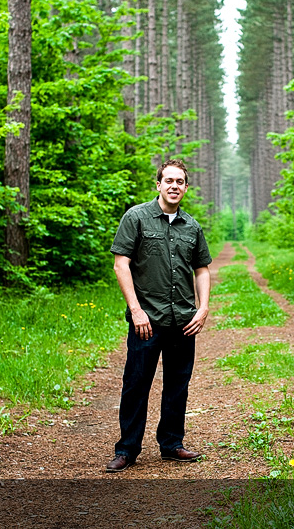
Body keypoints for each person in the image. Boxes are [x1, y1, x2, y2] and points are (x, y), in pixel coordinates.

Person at [106, 159, 212, 473]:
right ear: (158, 184)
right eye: (169, 180)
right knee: (136, 384)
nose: (174, 186)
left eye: (180, 181)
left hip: (183, 321)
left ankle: (171, 444)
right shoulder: (136, 218)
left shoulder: (191, 226)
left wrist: (203, 308)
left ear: (186, 187)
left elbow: (202, 269)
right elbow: (120, 264)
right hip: (146, 322)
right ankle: (127, 450)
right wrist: (136, 310)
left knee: (178, 384)